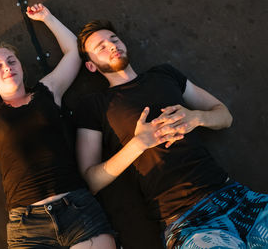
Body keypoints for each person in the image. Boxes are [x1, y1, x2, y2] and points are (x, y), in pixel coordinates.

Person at [74, 20, 268, 248]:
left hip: (234, 195)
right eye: (101, 47)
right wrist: (138, 143)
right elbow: (91, 180)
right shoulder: (95, 106)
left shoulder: (163, 74)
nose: (112, 46)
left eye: (114, 40)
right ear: (91, 66)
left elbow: (225, 116)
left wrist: (197, 118)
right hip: (187, 221)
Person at [0, 4, 116, 249]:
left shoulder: (47, 91)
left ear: (22, 67)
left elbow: (74, 51)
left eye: (11, 62)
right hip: (28, 224)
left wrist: (47, 17)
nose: (8, 67)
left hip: (76, 207)